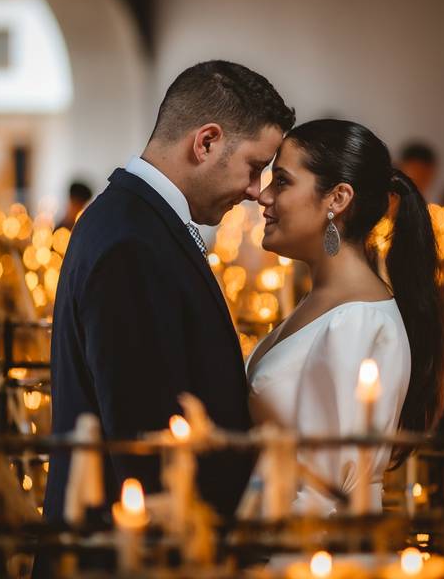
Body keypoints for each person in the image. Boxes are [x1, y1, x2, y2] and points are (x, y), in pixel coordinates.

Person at [41, 61, 294, 534]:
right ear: (207, 142)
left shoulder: (135, 220)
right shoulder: (132, 243)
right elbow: (146, 443)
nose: (254, 191)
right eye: (255, 167)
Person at [248, 119, 444, 514]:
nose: (263, 196)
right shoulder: (325, 300)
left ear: (337, 199)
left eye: (283, 182)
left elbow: (329, 488)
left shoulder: (357, 321)